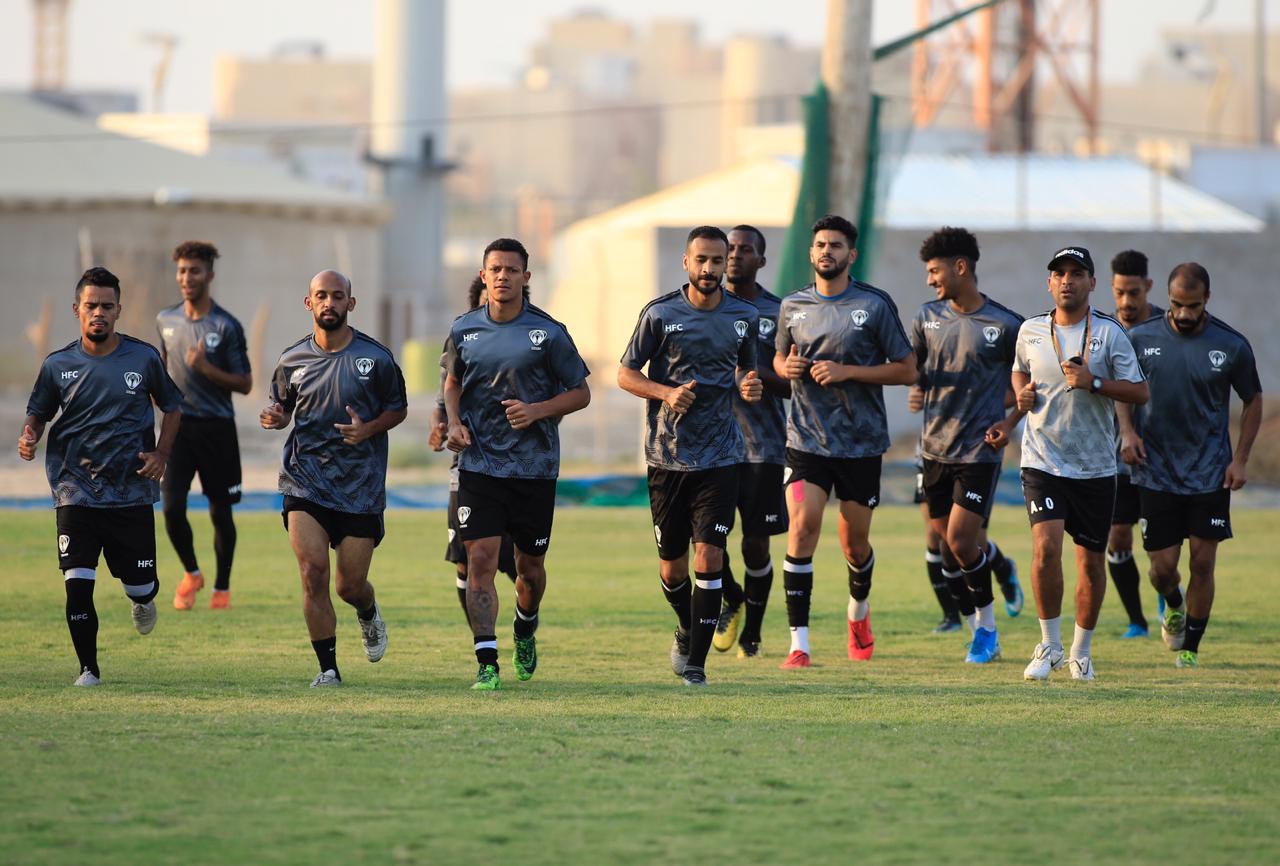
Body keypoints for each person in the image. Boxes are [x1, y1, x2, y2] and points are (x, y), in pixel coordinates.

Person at [19, 267, 182, 686]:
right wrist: (29, 435)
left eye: (107, 306)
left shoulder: (143, 358)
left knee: (141, 586)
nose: (99, 313)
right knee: (77, 585)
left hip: (131, 491)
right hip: (75, 491)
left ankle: (141, 598)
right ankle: (88, 668)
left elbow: (173, 407)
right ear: (77, 310)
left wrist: (162, 454)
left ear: (118, 310)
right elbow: (38, 412)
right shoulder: (58, 365)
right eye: (91, 306)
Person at [618, 225, 763, 686]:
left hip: (721, 457)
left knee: (710, 557)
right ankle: (687, 626)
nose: (708, 269)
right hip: (666, 459)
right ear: (686, 262)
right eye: (700, 260)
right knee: (673, 568)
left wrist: (750, 383)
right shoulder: (660, 314)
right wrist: (665, 392)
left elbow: (748, 366)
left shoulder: (744, 315)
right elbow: (624, 374)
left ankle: (696, 667)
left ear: (727, 265)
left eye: (717, 261)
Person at [445, 238, 591, 691]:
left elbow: (581, 392)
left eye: (512, 270)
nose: (503, 276)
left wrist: (537, 411)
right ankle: (486, 663)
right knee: (480, 561)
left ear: (526, 278)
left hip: (534, 469)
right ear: (483, 275)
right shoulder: (463, 329)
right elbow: (452, 382)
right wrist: (453, 422)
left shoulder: (548, 332)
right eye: (496, 269)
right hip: (479, 466)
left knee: (529, 570)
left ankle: (525, 626)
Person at [773, 214, 916, 669]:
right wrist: (786, 369)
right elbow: (779, 357)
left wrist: (847, 371)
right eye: (820, 245)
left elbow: (908, 369)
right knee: (801, 529)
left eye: (836, 245)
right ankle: (800, 643)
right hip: (805, 440)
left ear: (851, 255)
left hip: (860, 443)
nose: (826, 252)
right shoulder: (792, 306)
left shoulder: (874, 305)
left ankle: (859, 611)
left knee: (854, 545)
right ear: (810, 252)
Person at [1006, 246, 1148, 682]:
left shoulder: (1109, 334)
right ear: (1049, 282)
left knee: (1089, 563)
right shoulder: (1030, 330)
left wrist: (1096, 382)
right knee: (1046, 549)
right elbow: (1019, 371)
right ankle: (1048, 644)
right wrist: (1021, 394)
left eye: (1076, 273)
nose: (1066, 280)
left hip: (1094, 467)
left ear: (1090, 282)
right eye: (1058, 273)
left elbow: (1139, 392)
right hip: (1042, 461)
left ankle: (1081, 653)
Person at [260, 270, 407, 688]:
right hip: (304, 482)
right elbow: (282, 407)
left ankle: (367, 611)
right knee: (312, 572)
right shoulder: (291, 360)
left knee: (349, 585)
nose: (329, 303)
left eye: (337, 296)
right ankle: (328, 668)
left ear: (350, 303)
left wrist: (368, 429)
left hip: (360, 490)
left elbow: (398, 410)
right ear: (309, 303)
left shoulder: (376, 359)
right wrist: (276, 417)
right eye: (321, 296)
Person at [1120, 262, 1262, 668]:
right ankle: (1173, 602)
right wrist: (1127, 432)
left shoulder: (1231, 345)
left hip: (1210, 471)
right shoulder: (1140, 338)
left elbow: (1253, 399)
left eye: (1193, 306)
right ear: (1167, 299)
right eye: (1177, 305)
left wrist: (1240, 460)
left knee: (1202, 561)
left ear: (1207, 301)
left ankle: (1189, 649)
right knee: (1162, 571)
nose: (1184, 314)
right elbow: (1125, 390)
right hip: (1155, 471)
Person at [910, 227, 1024, 664]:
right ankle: (1000, 567)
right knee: (946, 544)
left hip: (978, 451)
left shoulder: (1006, 325)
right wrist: (916, 387)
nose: (930, 280)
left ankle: (987, 633)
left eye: (935, 271)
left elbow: (1028, 388)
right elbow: (915, 369)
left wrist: (1008, 420)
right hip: (933, 448)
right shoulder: (925, 317)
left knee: (959, 540)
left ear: (961, 268)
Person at [156, 241, 252, 611]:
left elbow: (244, 383)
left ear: (209, 275)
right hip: (178, 429)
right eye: (181, 270)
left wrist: (206, 368)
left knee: (220, 511)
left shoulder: (226, 326)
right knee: (171, 508)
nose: (186, 277)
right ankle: (192, 573)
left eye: (194, 270)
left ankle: (222, 589)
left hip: (217, 429)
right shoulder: (166, 320)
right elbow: (160, 371)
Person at [716, 224, 790, 658]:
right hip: (710, 446)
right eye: (729, 248)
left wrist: (756, 376)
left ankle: (754, 633)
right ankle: (731, 596)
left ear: (761, 260)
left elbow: (790, 384)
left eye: (746, 249)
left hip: (762, 446)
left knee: (755, 542)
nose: (734, 255)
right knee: (703, 536)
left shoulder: (778, 312)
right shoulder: (703, 307)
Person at [429, 276, 517, 626]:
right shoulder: (461, 346)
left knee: (520, 562)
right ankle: (481, 639)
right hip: (467, 468)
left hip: (520, 470)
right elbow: (443, 401)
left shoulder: (532, 344)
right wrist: (441, 427)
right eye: (483, 301)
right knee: (467, 558)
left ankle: (526, 616)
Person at [1106, 250, 1163, 637]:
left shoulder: (1169, 326)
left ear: (1148, 288)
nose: (1126, 302)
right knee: (1118, 536)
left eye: (1134, 293)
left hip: (1163, 454)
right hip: (1116, 455)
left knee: (1161, 542)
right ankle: (1136, 621)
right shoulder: (1108, 329)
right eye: (1119, 292)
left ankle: (1167, 594)